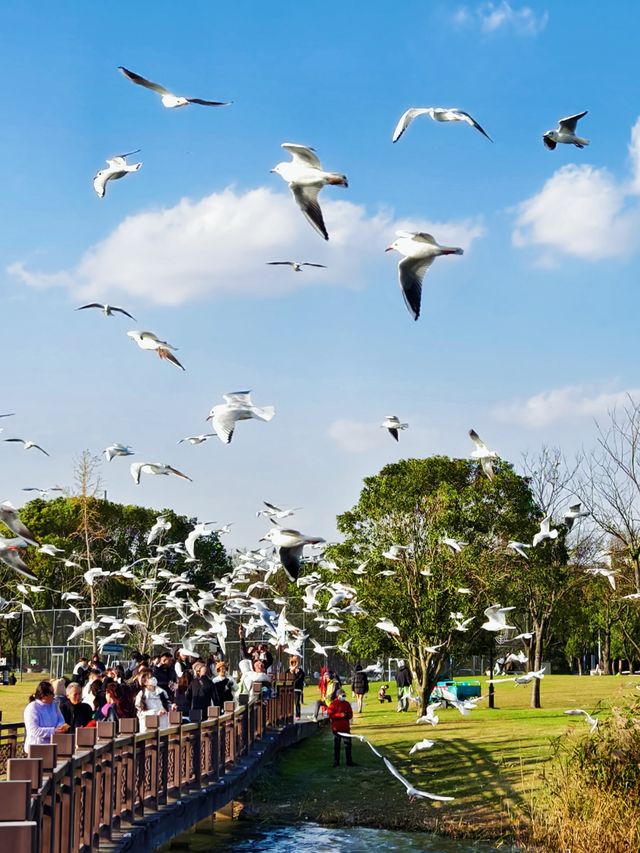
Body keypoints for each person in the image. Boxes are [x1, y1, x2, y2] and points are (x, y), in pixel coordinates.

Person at [23, 680, 69, 749]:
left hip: (53, 747)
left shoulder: (54, 704)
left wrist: (61, 728)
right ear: (43, 695)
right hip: (35, 749)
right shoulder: (32, 708)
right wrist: (54, 731)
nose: (54, 695)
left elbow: (61, 720)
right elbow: (34, 730)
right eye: (51, 693)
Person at [327, 689, 354, 767]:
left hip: (346, 728)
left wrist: (347, 715)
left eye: (344, 695)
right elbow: (330, 715)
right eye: (342, 695)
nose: (344, 697)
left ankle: (349, 761)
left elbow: (350, 714)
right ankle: (336, 762)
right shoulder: (333, 704)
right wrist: (340, 715)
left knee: (348, 745)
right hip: (337, 729)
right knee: (337, 746)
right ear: (338, 696)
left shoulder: (347, 704)